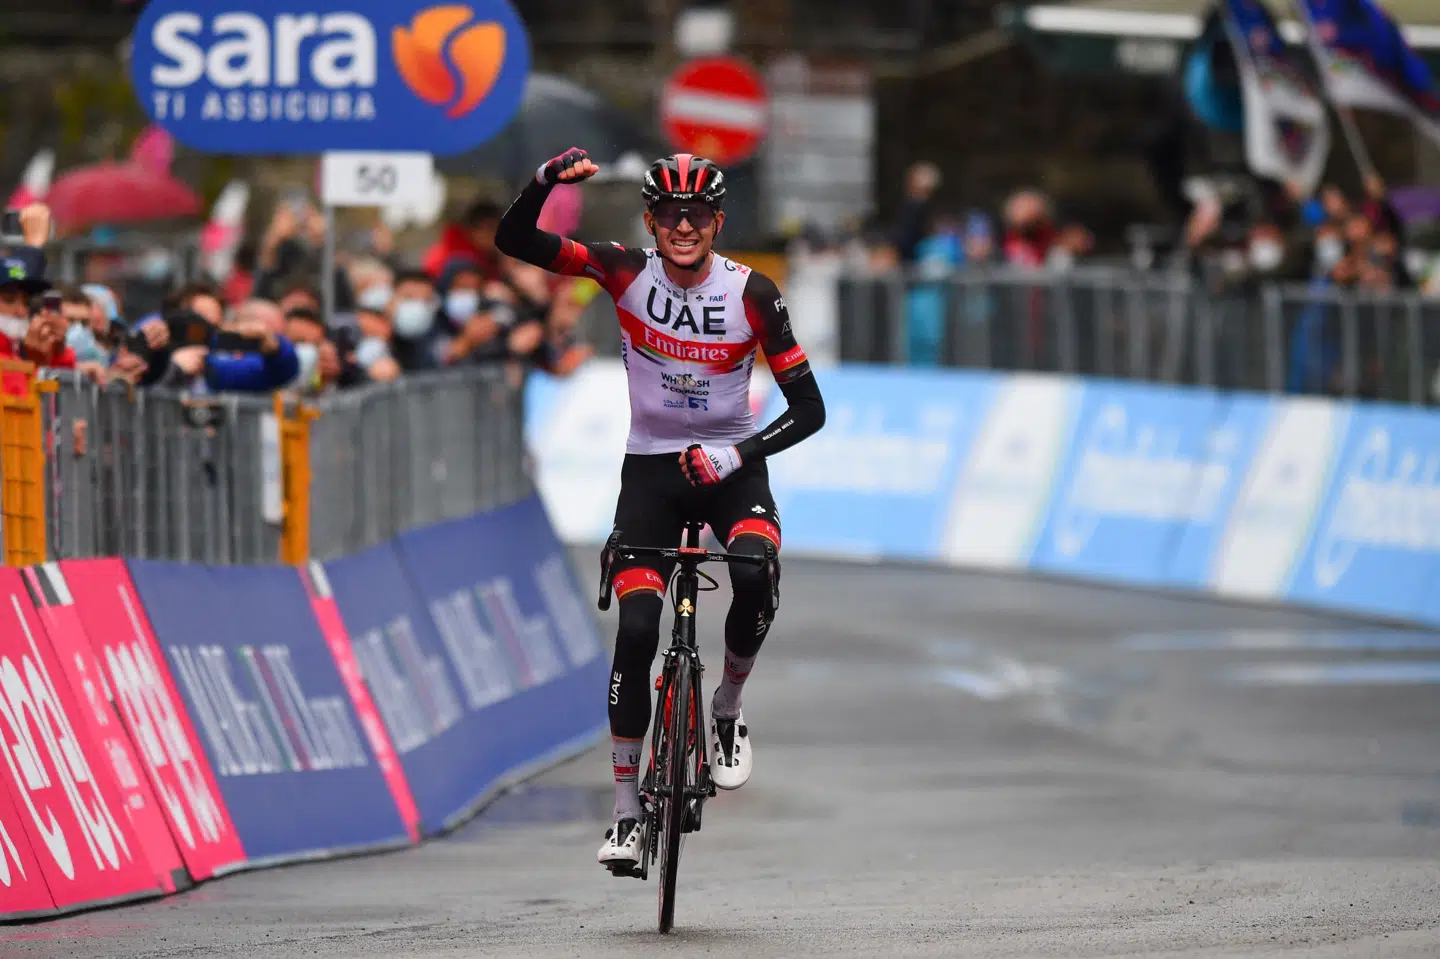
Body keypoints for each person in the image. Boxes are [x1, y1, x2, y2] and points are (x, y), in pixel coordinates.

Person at [496, 148, 826, 873]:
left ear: (717, 220)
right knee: (638, 628)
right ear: (650, 220)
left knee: (753, 566)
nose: (684, 226)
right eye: (671, 214)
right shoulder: (621, 269)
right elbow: (516, 242)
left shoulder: (753, 293)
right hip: (651, 469)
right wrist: (544, 184)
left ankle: (727, 711)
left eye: (698, 213)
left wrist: (737, 454)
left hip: (731, 467)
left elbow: (810, 408)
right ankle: (624, 815)